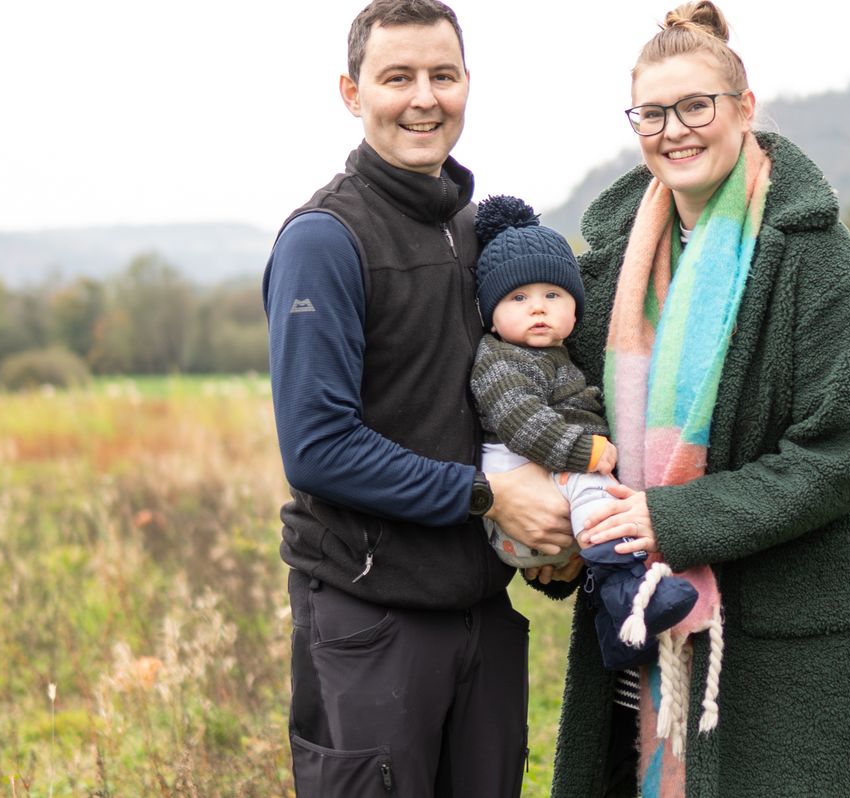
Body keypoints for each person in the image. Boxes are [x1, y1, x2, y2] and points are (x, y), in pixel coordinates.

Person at [536, 2, 850, 796]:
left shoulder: (817, 261)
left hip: (787, 630)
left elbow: (846, 451)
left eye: (696, 106)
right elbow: (565, 410)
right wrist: (561, 521)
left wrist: (671, 520)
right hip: (648, 618)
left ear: (743, 108)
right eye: (653, 113)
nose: (675, 130)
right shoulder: (608, 271)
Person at [261, 1, 572, 795]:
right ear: (350, 91)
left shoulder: (478, 237)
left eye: (442, 74)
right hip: (372, 619)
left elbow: (518, 392)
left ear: (469, 83)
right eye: (397, 77)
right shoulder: (323, 240)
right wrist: (487, 497)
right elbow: (318, 448)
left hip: (484, 616)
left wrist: (559, 524)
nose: (423, 97)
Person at [469, 195, 698, 668]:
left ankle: (618, 627)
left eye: (553, 296)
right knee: (598, 492)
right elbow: (521, 422)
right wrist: (584, 450)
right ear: (490, 315)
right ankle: (634, 594)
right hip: (517, 480)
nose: (538, 308)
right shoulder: (499, 359)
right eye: (518, 298)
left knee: (607, 498)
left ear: (575, 311)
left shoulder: (556, 358)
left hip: (548, 505)